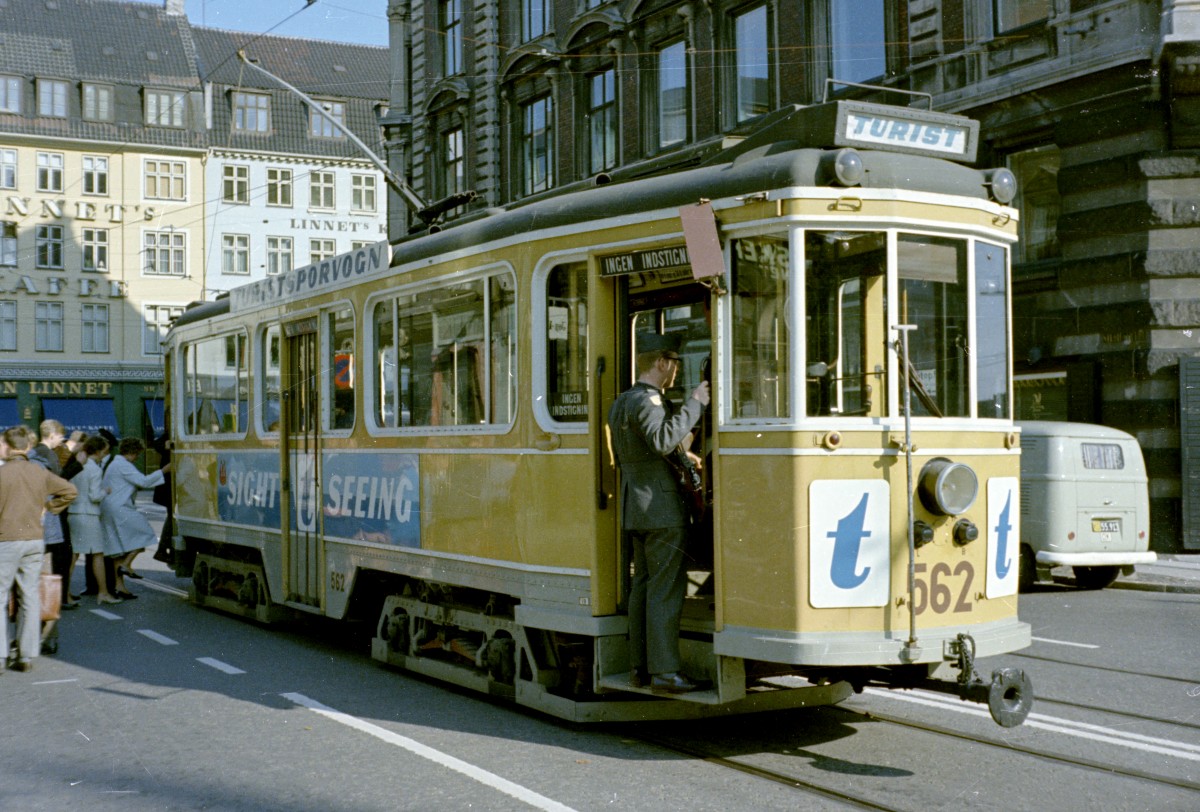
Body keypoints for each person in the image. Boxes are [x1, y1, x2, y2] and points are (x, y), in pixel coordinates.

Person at [607, 332, 710, 694]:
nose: (677, 370)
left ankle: (641, 667)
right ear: (663, 363)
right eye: (675, 363)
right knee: (665, 590)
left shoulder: (623, 401)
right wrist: (695, 404)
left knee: (644, 588)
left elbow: (650, 448)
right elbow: (663, 440)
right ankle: (665, 672)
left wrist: (686, 445)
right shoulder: (649, 400)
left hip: (636, 507)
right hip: (662, 510)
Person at [0, 425, 77, 673]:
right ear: (27, 447)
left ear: (8, 447)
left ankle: (1, 655)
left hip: (6, 540)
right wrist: (50, 508)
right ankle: (26, 654)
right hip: (34, 540)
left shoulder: (2, 473)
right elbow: (70, 491)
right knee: (29, 596)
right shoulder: (39, 471)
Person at [100, 438, 170, 599]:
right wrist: (164, 471)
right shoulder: (123, 465)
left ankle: (120, 587)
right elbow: (144, 482)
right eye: (137, 454)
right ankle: (126, 565)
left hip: (109, 507)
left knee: (118, 549)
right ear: (132, 452)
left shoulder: (115, 464)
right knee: (145, 533)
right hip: (120, 507)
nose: (137, 457)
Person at [28, 420, 76, 611]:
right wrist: (53, 506)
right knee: (56, 559)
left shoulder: (41, 454)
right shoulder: (47, 455)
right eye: (60, 436)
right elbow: (61, 483)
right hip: (51, 516)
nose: (61, 440)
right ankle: (53, 601)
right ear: (52, 434)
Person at [67, 436, 121, 605]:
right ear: (98, 452)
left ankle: (65, 591)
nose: (105, 454)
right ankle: (103, 592)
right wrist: (106, 491)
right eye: (104, 451)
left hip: (73, 511)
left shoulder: (76, 466)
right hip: (88, 514)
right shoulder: (95, 470)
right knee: (97, 553)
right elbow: (95, 496)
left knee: (74, 555)